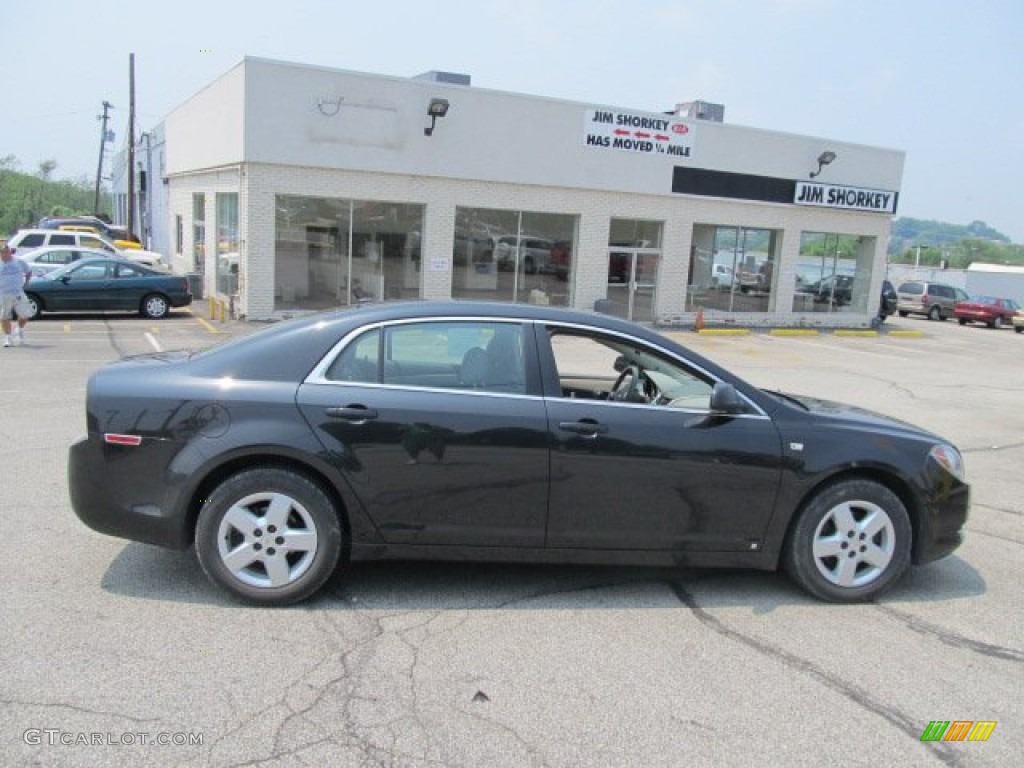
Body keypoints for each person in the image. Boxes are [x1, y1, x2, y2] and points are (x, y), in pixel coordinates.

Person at [1, 239, 32, 347]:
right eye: (1, 252)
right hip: (3, 294)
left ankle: (19, 329)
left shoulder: (19, 261)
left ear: (9, 251)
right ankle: (8, 338)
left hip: (18, 292)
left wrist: (26, 283)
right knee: (5, 316)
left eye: (5, 251)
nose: (4, 254)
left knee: (25, 315)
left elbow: (28, 272)